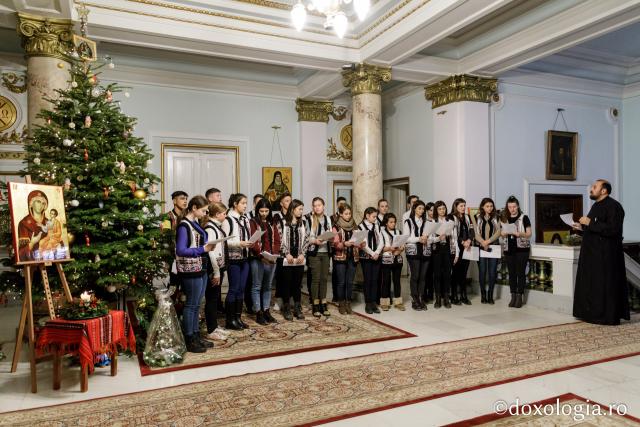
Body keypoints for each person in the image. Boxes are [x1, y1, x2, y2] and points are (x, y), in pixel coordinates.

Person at [572, 179, 629, 325]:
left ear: (604, 191)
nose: (591, 189)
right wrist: (581, 227)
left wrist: (590, 223)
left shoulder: (614, 207)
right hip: (591, 255)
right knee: (591, 285)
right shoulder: (596, 206)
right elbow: (595, 229)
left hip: (606, 256)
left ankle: (606, 316)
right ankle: (590, 314)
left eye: (595, 187)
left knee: (605, 286)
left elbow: (613, 229)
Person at [175, 195, 217, 353]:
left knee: (197, 304)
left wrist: (207, 247)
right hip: (190, 269)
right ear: (194, 208)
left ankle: (196, 334)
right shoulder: (184, 226)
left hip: (201, 267)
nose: (205, 213)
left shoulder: (195, 223)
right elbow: (180, 250)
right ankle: (189, 338)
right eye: (203, 210)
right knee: (191, 305)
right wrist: (202, 249)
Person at [222, 193, 253, 330]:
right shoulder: (228, 219)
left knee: (242, 288)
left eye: (246, 203)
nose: (245, 206)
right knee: (234, 288)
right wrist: (240, 243)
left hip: (245, 257)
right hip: (233, 259)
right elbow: (225, 241)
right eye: (242, 203)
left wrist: (249, 243)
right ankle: (230, 320)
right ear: (235, 204)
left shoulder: (245, 218)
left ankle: (237, 318)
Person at [203, 202, 231, 341]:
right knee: (212, 299)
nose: (225, 216)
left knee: (215, 298)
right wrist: (216, 272)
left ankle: (214, 326)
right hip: (213, 269)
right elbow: (211, 252)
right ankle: (211, 329)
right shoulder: (210, 228)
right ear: (217, 214)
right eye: (224, 213)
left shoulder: (215, 226)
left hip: (218, 267)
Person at [249, 198, 280, 325]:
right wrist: (262, 256)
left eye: (266, 211)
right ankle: (258, 312)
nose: (264, 213)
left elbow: (277, 240)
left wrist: (274, 254)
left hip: (271, 259)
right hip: (258, 259)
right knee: (257, 286)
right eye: (261, 211)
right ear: (257, 210)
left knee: (267, 286)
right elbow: (253, 241)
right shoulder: (253, 222)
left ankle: (266, 310)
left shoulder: (272, 222)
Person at [500, 196, 532, 309]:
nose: (512, 209)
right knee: (511, 273)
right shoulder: (505, 219)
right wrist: (503, 233)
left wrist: (520, 233)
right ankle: (512, 296)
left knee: (520, 273)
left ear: (517, 206)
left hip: (522, 249)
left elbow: (529, 233)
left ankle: (519, 297)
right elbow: (502, 233)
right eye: (509, 207)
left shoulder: (524, 217)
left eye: (514, 206)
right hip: (509, 249)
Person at [280, 199, 309, 320]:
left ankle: (297, 307)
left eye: (302, 209)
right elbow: (279, 238)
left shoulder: (303, 223)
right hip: (287, 258)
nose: (301, 211)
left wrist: (303, 253)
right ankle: (286, 307)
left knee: (297, 284)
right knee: (286, 283)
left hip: (299, 258)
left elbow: (306, 239)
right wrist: (286, 253)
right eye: (299, 209)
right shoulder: (282, 222)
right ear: (292, 209)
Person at [306, 197, 333, 318]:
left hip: (326, 251)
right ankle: (315, 304)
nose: (317, 207)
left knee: (324, 279)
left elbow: (330, 232)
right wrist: (315, 241)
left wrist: (330, 236)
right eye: (315, 205)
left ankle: (323, 302)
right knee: (315, 279)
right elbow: (307, 237)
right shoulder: (309, 219)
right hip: (315, 252)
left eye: (319, 205)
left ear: (323, 206)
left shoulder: (328, 218)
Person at [332, 204, 361, 314]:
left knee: (349, 282)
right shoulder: (336, 226)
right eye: (346, 214)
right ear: (340, 214)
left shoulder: (354, 225)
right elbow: (335, 244)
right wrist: (344, 243)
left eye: (349, 213)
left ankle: (348, 302)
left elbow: (358, 241)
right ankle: (342, 303)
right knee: (341, 282)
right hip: (340, 257)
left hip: (352, 257)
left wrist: (360, 243)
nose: (348, 216)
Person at [472, 198, 501, 304]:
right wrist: (483, 242)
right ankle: (483, 294)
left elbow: (498, 232)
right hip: (480, 247)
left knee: (492, 273)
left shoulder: (497, 217)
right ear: (483, 207)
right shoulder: (476, 217)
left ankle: (490, 295)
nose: (490, 208)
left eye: (491, 206)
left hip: (493, 247)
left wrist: (487, 241)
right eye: (487, 206)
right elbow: (475, 233)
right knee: (482, 272)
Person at [403, 200, 430, 310]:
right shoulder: (408, 222)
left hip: (425, 252)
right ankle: (415, 299)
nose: (422, 211)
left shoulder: (427, 222)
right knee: (415, 276)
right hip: (413, 252)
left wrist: (431, 238)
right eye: (419, 208)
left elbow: (431, 237)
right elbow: (406, 238)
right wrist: (419, 239)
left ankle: (420, 298)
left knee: (423, 277)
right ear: (414, 209)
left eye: (423, 209)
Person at [432, 201, 458, 309]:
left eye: (443, 208)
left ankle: (446, 298)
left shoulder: (450, 221)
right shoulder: (433, 222)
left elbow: (455, 238)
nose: (442, 211)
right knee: (437, 275)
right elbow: (429, 239)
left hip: (448, 250)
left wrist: (457, 254)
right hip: (437, 251)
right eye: (440, 209)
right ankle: (438, 299)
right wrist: (438, 238)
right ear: (436, 211)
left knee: (447, 275)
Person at [359, 207, 383, 314]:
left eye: (376, 216)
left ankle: (374, 302)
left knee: (375, 280)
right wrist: (372, 253)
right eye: (373, 216)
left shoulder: (376, 225)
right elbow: (363, 244)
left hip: (377, 255)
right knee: (368, 280)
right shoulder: (361, 227)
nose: (375, 218)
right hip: (366, 257)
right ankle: (368, 303)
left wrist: (377, 252)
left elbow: (381, 240)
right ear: (367, 216)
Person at [164, 190, 188, 293]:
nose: (185, 201)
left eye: (186, 199)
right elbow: (165, 237)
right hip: (172, 256)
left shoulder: (188, 216)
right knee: (174, 283)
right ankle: (172, 305)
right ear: (174, 201)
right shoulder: (167, 217)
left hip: (186, 254)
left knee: (185, 284)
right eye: (182, 199)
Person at [380, 213, 405, 311]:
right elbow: (381, 247)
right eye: (391, 222)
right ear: (386, 223)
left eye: (394, 222)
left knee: (397, 281)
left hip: (397, 259)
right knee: (386, 281)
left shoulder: (398, 231)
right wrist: (389, 248)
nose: (393, 224)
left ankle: (398, 302)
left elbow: (403, 245)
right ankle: (385, 302)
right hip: (386, 259)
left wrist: (401, 249)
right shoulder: (382, 232)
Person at [450, 198, 473, 306]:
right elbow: (453, 234)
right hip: (457, 248)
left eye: (464, 205)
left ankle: (464, 295)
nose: (463, 208)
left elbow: (472, 230)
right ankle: (454, 295)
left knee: (464, 273)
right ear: (456, 206)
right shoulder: (452, 217)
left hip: (467, 248)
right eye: (461, 206)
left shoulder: (467, 217)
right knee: (455, 273)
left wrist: (469, 240)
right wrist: (462, 241)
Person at [17, 190, 50, 262]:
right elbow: (22, 254)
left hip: (51, 261)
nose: (41, 205)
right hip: (34, 265)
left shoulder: (49, 223)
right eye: (38, 202)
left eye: (43, 203)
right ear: (31, 204)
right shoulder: (24, 223)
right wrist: (32, 243)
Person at [423, 202, 436, 304]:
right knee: (426, 273)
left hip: (436, 250)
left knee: (433, 273)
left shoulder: (437, 221)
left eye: (433, 210)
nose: (432, 212)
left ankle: (431, 294)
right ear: (427, 211)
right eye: (430, 210)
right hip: (427, 249)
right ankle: (424, 294)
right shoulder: (424, 222)